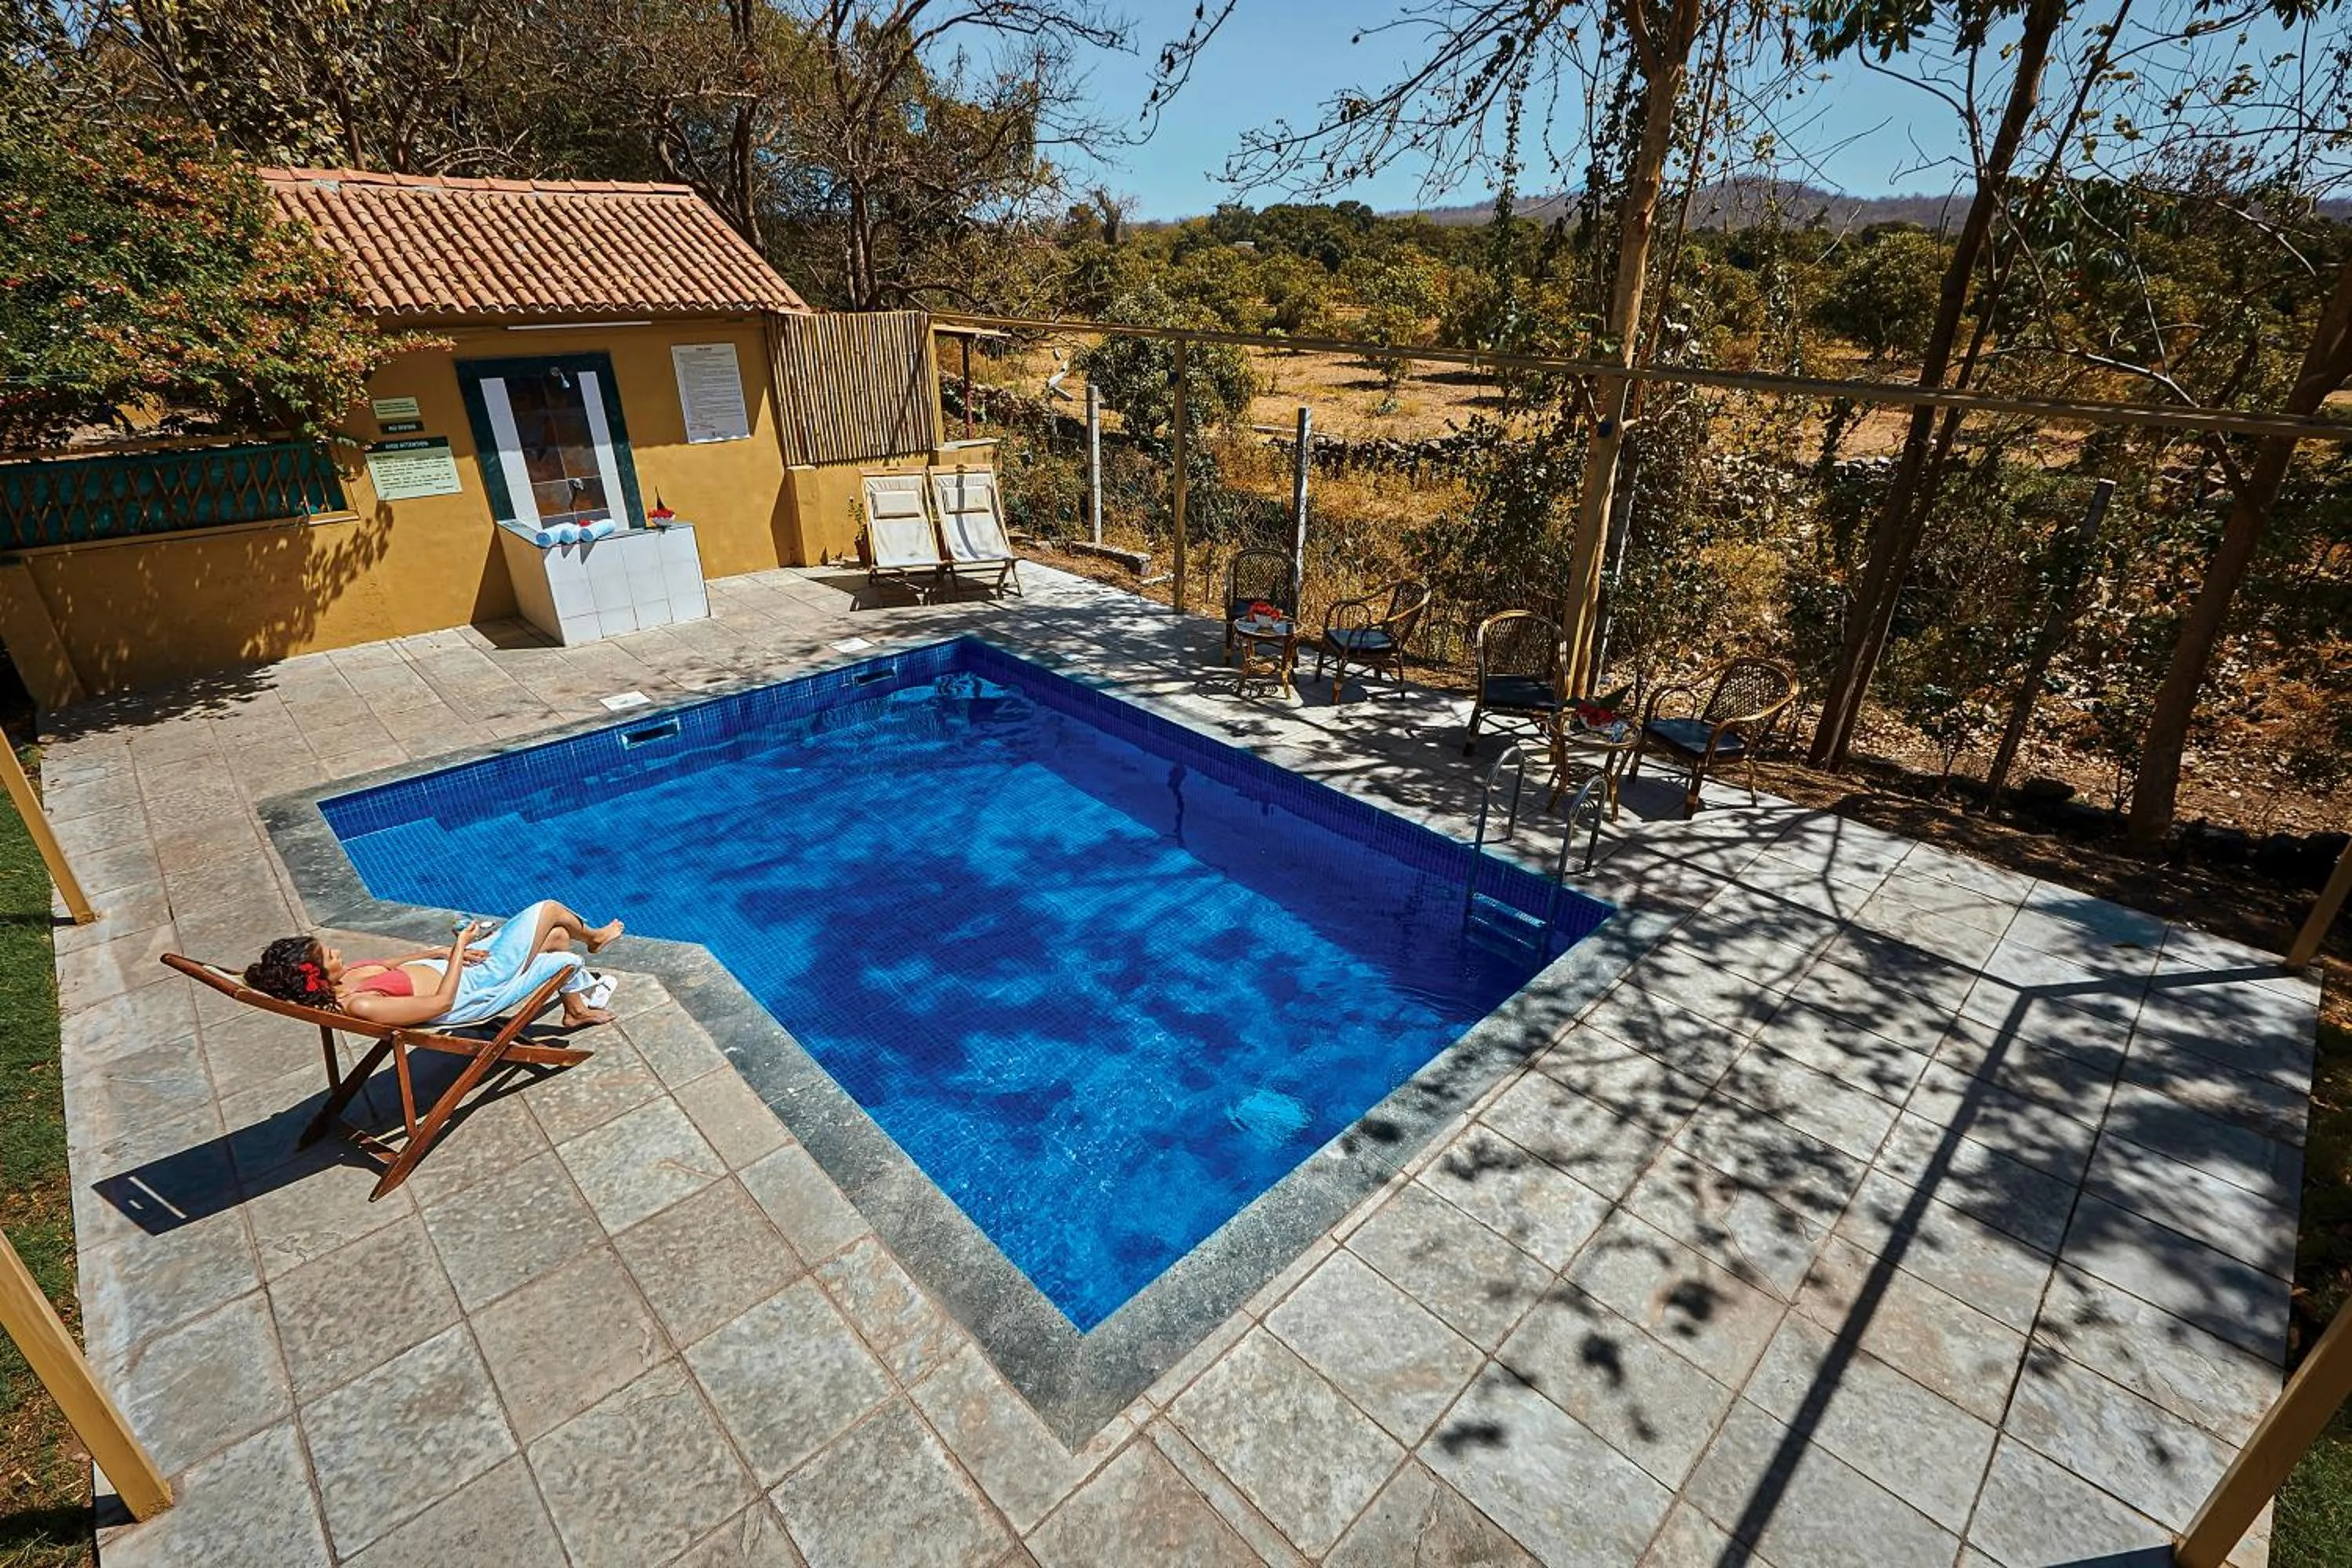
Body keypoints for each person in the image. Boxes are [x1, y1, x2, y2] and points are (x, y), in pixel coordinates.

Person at [243, 900, 624, 1029]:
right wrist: (459, 944)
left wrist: (435, 953)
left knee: (554, 938)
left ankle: (574, 1012)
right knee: (550, 912)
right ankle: (593, 939)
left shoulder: (346, 981)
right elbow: (442, 1004)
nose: (337, 954)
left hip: (456, 969)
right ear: (315, 978)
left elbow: (392, 964)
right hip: (473, 989)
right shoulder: (361, 1004)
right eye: (329, 957)